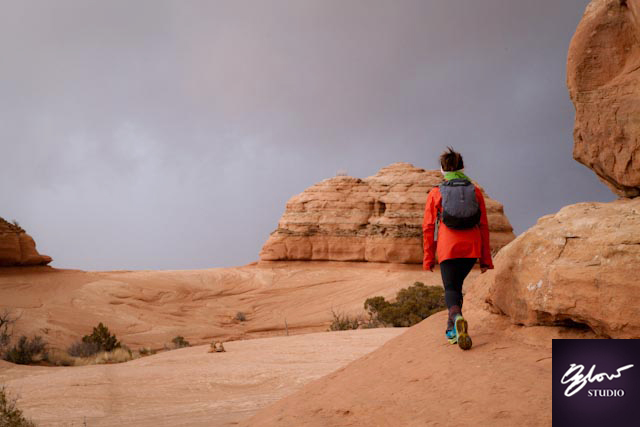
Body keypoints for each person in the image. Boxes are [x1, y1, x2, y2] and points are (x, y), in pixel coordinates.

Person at [422, 147, 494, 350]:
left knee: (451, 288)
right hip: (471, 248)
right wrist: (485, 259)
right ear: (463, 167)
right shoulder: (475, 191)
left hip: (448, 248)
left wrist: (428, 258)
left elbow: (428, 227)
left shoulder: (436, 192)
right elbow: (484, 226)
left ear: (442, 170)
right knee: (457, 286)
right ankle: (452, 330)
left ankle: (456, 317)